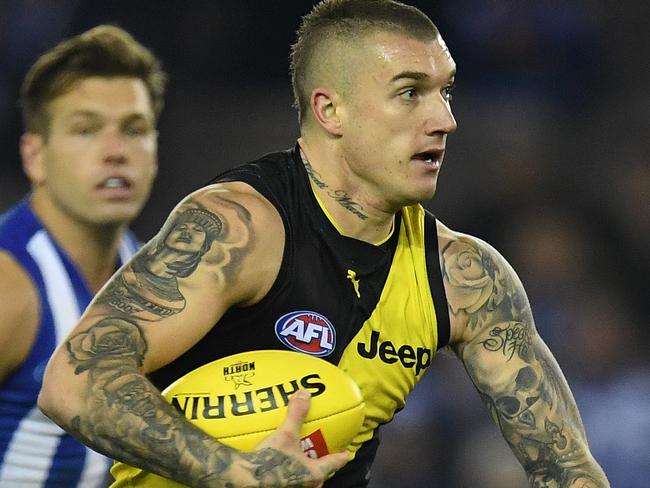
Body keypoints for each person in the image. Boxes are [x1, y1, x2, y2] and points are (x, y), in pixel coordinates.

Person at [38, 1, 611, 487]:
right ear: (329, 110)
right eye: (410, 93)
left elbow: (567, 467)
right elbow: (73, 383)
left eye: (447, 92)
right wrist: (239, 473)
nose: (444, 119)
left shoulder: (465, 278)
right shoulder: (237, 227)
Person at [0, 25, 165, 486]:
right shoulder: (10, 286)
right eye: (86, 130)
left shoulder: (155, 268)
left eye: (135, 130)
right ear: (35, 156)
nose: (115, 152)